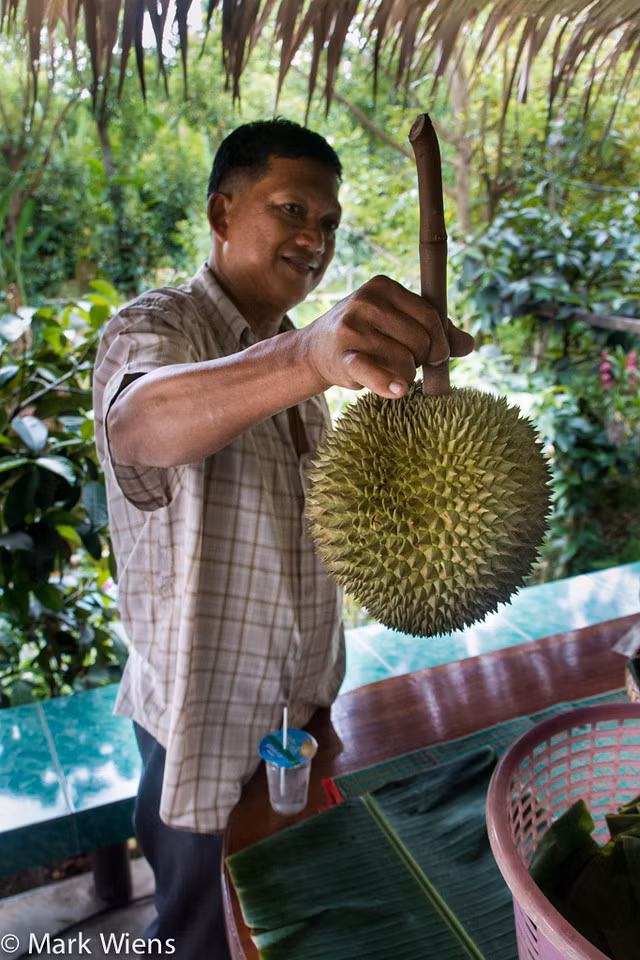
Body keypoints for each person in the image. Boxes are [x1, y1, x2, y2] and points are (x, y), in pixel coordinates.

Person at [93, 117, 473, 957]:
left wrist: (414, 432)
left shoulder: (300, 368)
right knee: (204, 934)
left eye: (329, 222)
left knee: (290, 931)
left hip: (303, 723)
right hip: (204, 729)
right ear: (222, 213)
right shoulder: (159, 329)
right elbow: (139, 424)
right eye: (292, 210)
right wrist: (307, 356)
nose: (315, 238)